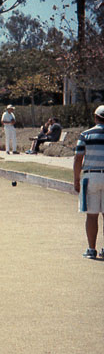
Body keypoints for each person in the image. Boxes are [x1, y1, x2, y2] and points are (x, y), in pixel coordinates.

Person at [74, 105, 104, 259]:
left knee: (92, 215)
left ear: (95, 117)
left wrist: (76, 179)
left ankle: (91, 250)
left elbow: (79, 157)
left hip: (91, 176)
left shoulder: (86, 134)